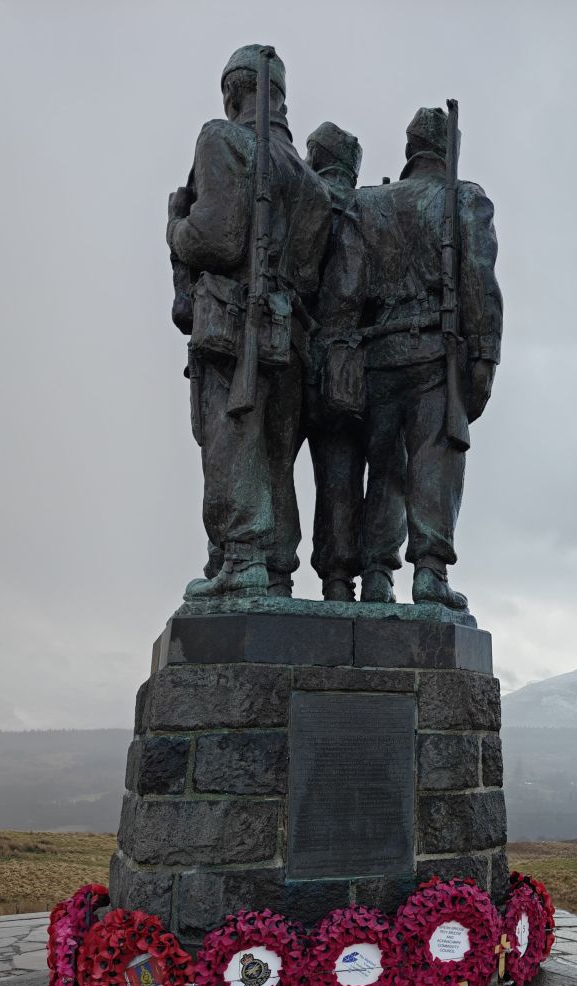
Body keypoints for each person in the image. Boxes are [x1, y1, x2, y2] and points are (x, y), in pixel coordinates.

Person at [167, 45, 330, 598]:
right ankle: (277, 567)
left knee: (233, 443)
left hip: (235, 329)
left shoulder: (221, 137)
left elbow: (217, 236)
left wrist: (175, 230)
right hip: (292, 333)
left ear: (234, 91)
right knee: (276, 457)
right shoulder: (310, 180)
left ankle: (242, 561)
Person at [351, 106, 502, 609]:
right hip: (436, 354)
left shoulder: (367, 205)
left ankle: (375, 574)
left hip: (376, 355)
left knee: (383, 468)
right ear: (450, 149)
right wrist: (484, 357)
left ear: (410, 148)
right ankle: (429, 574)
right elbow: (480, 283)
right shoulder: (465, 200)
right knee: (434, 463)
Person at [302, 121, 409, 602]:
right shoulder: (378, 208)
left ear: (317, 157)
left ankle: (338, 579)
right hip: (387, 357)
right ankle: (379, 575)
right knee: (388, 469)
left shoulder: (313, 200)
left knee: (337, 471)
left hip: (328, 356)